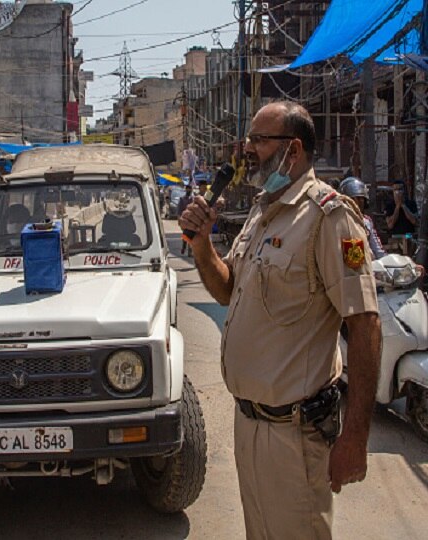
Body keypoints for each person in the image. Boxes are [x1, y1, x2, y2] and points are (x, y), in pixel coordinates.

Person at [179, 101, 381, 539]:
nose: (247, 148)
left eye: (257, 139)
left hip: (295, 436)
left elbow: (365, 325)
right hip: (250, 425)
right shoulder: (263, 209)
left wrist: (356, 438)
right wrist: (202, 246)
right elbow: (227, 290)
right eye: (250, 138)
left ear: (292, 150)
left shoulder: (330, 217)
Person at [339, 177, 386, 259]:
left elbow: (378, 250)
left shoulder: (367, 221)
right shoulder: (337, 222)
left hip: (366, 265)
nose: (357, 202)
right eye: (353, 199)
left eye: (361, 198)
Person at [178, 188, 194, 255]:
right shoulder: (182, 199)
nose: (189, 190)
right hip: (184, 220)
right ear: (186, 190)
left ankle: (190, 251)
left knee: (191, 235)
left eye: (190, 189)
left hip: (192, 220)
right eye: (187, 189)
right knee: (185, 235)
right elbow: (179, 209)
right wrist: (179, 219)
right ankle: (184, 247)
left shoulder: (193, 199)